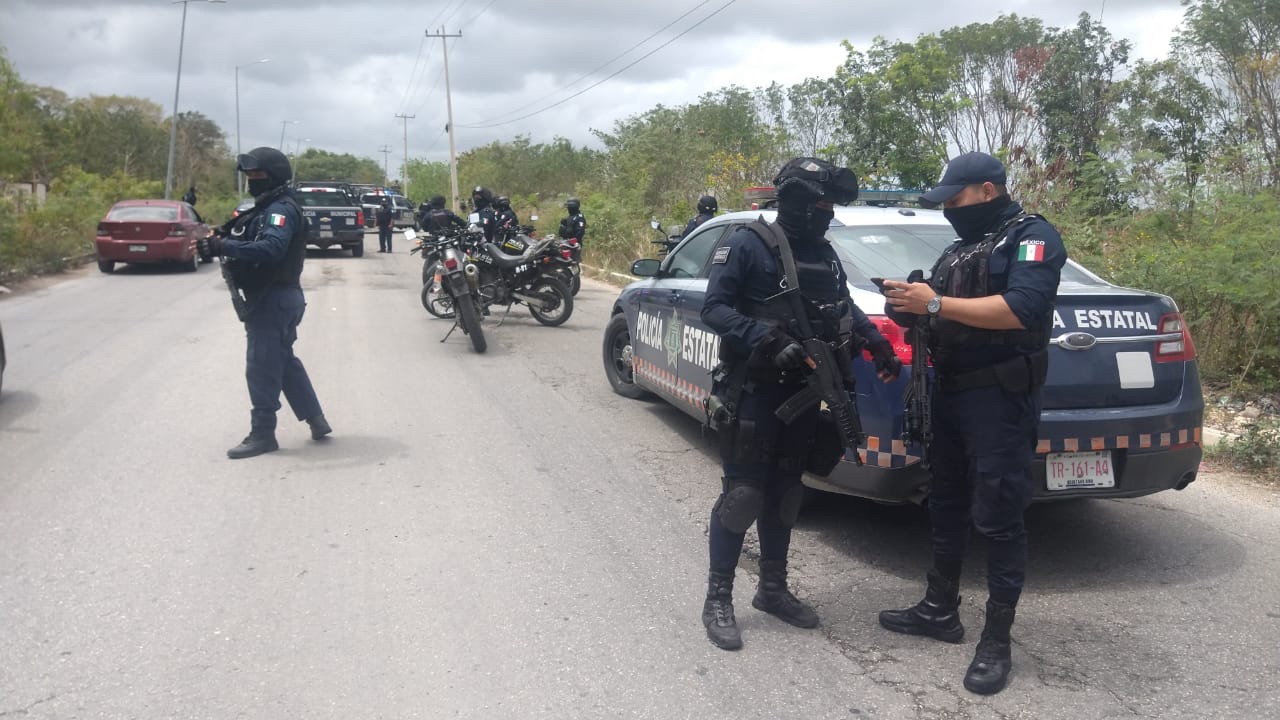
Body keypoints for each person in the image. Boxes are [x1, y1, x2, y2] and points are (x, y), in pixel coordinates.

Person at [879, 151, 1065, 695]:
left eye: (955, 199)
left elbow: (1021, 308)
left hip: (1000, 400)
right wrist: (909, 308)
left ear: (988, 190)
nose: (949, 211)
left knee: (999, 515)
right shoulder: (961, 248)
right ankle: (939, 609)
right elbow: (942, 313)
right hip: (951, 392)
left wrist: (935, 304)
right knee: (946, 502)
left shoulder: (1032, 237)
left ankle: (996, 641)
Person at [699, 158, 903, 651]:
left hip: (804, 394)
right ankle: (718, 597)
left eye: (831, 206)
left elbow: (842, 306)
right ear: (793, 200)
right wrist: (765, 339)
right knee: (743, 495)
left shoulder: (825, 254)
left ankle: (772, 589)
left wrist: (875, 342)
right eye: (820, 204)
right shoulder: (747, 243)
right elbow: (715, 309)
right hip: (754, 391)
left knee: (787, 492)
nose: (827, 213)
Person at [196, 146, 329, 459]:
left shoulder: (280, 210)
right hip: (278, 297)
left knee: (261, 366)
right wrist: (222, 240)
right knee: (283, 361)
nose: (252, 181)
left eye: (257, 175)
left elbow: (271, 248)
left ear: (274, 176)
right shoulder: (267, 208)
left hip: (274, 298)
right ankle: (316, 419)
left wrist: (224, 247)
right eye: (249, 175)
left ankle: (263, 433)